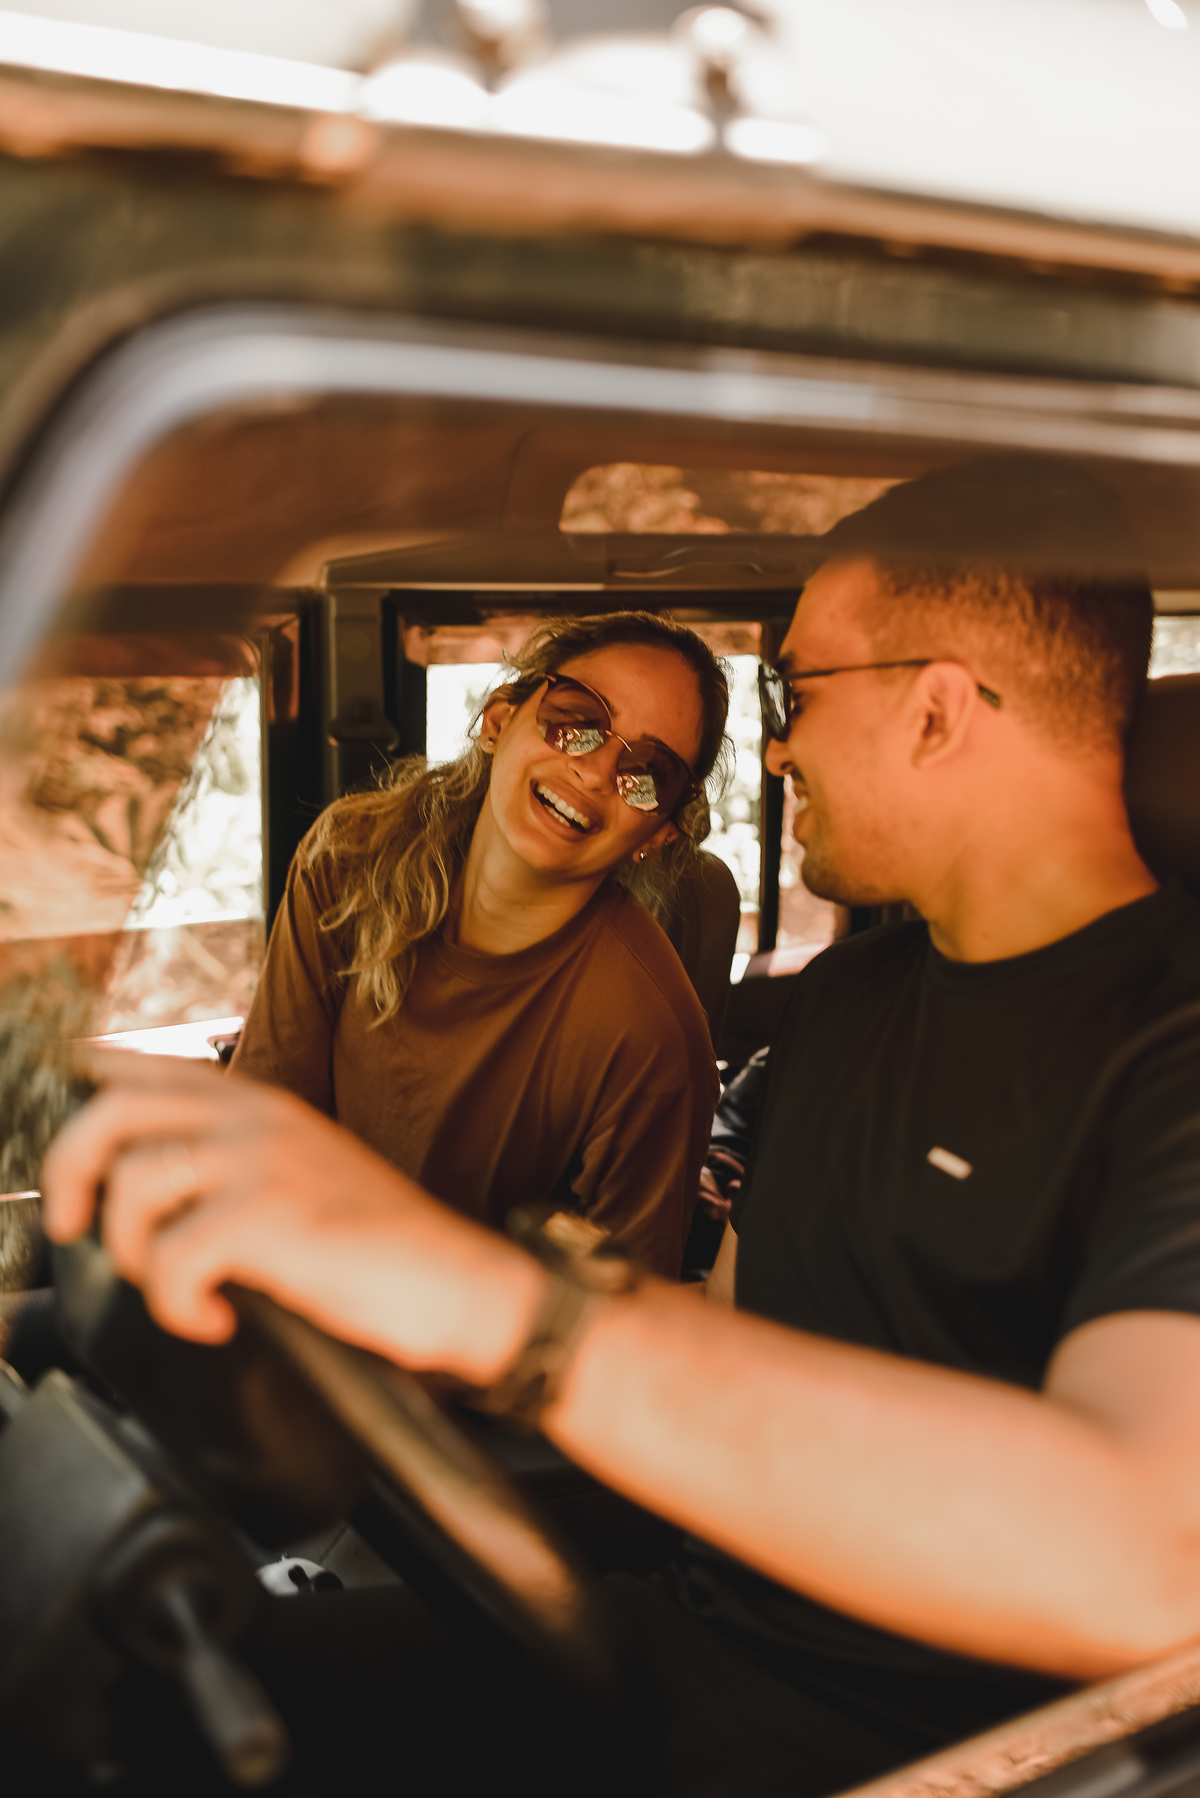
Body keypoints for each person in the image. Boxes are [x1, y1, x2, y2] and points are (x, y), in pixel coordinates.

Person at [44, 459, 1200, 1797]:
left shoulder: (1168, 1048)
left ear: (936, 710)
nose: (778, 748)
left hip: (933, 1750)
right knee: (123, 1687)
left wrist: (502, 1308)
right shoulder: (849, 1001)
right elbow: (730, 1340)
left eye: (796, 692)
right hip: (685, 1638)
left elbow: (1159, 1548)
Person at [231, 612, 729, 1277]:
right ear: (499, 720)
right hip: (283, 1282)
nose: (594, 770)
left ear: (656, 834)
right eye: (577, 719)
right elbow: (265, 1122)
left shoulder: (651, 1036)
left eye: (647, 774)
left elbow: (618, 1321)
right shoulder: (350, 858)